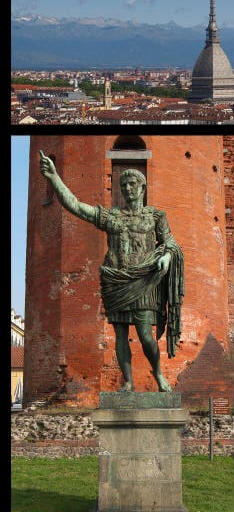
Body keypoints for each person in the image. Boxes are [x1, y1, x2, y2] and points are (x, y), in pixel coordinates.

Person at [39, 150, 184, 392]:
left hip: (144, 280)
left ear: (143, 187)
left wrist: (167, 256)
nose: (128, 188)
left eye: (133, 184)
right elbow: (76, 206)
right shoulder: (111, 216)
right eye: (124, 184)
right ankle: (128, 383)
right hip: (115, 281)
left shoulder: (156, 216)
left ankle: (158, 374)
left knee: (146, 335)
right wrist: (54, 178)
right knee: (119, 334)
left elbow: (171, 243)